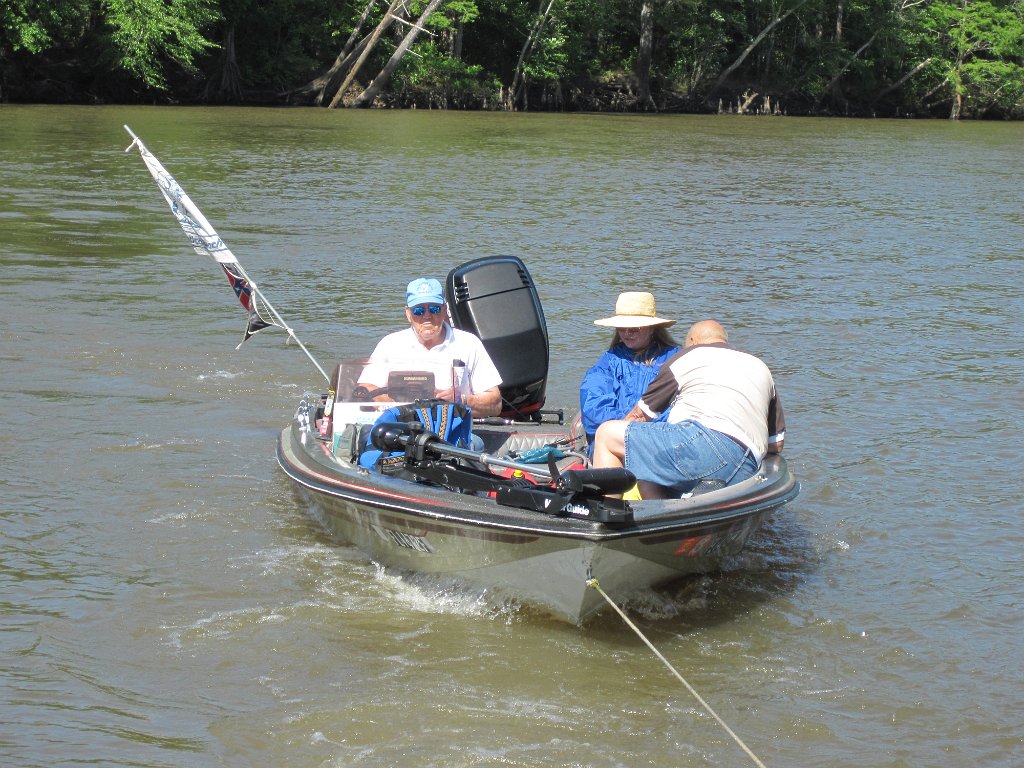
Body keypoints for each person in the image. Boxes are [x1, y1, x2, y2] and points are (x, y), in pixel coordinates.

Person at [592, 319, 785, 499]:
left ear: (692, 341)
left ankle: (606, 519)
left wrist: (614, 452)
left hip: (702, 447)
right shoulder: (760, 367)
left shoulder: (686, 356)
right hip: (747, 467)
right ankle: (663, 521)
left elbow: (639, 417)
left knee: (607, 434)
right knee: (648, 469)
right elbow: (776, 444)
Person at [357, 277, 503, 417]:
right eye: (419, 310)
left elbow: (496, 404)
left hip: (454, 429)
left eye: (433, 309)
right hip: (401, 428)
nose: (427, 316)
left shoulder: (469, 343)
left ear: (444, 310)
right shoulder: (390, 344)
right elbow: (365, 388)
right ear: (408, 313)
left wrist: (461, 399)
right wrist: (395, 407)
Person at [579, 292, 679, 448]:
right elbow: (593, 402)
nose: (626, 333)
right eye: (621, 328)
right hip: (617, 439)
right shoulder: (609, 360)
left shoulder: (674, 359)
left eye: (634, 328)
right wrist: (627, 426)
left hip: (659, 440)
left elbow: (685, 404)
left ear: (652, 328)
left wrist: (647, 426)